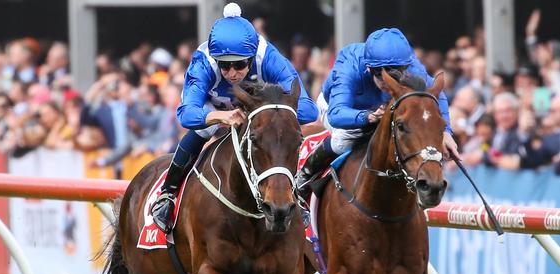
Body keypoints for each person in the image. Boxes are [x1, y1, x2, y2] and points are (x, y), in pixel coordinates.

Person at [150, 3, 318, 233]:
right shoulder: (204, 61)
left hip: (255, 107)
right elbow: (186, 114)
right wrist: (221, 116)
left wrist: (266, 113)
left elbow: (308, 110)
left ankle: (294, 194)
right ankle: (167, 194)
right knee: (203, 131)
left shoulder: (268, 56)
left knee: (277, 133)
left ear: (251, 57)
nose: (231, 73)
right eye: (225, 65)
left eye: (239, 64)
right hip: (215, 104)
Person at [295, 28, 460, 199]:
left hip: (384, 108)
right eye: (380, 74)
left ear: (405, 67)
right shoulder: (349, 66)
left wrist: (446, 132)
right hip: (339, 107)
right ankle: (304, 177)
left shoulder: (412, 67)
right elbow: (336, 114)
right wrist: (368, 116)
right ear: (368, 68)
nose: (387, 82)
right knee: (342, 141)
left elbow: (436, 95)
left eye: (395, 74)